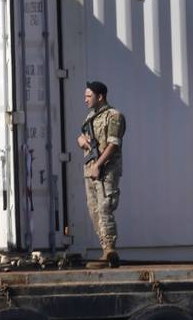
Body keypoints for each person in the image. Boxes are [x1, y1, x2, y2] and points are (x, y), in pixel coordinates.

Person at [76, 81, 125, 268]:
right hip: (91, 169)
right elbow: (85, 138)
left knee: (105, 207)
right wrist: (82, 141)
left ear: (100, 96)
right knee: (93, 209)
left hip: (106, 169)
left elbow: (113, 144)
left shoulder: (114, 116)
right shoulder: (90, 118)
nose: (85, 99)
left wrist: (98, 164)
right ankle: (105, 248)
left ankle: (110, 250)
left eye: (89, 96)